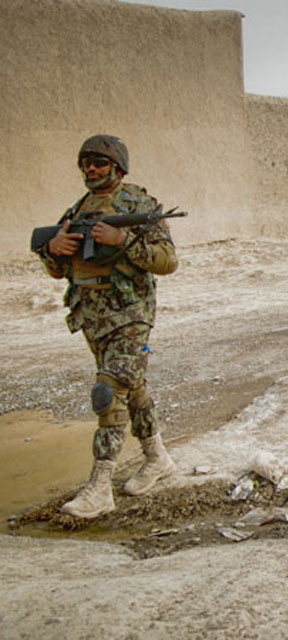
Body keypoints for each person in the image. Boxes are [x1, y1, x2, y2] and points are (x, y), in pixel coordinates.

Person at [33, 135, 179, 519]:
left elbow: (167, 261)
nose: (90, 169)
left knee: (107, 391)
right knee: (133, 389)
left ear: (117, 166)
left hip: (131, 315)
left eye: (98, 162)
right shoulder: (77, 209)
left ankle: (100, 488)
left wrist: (123, 239)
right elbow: (59, 270)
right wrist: (53, 251)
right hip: (92, 316)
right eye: (85, 163)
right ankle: (157, 459)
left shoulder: (139, 206)